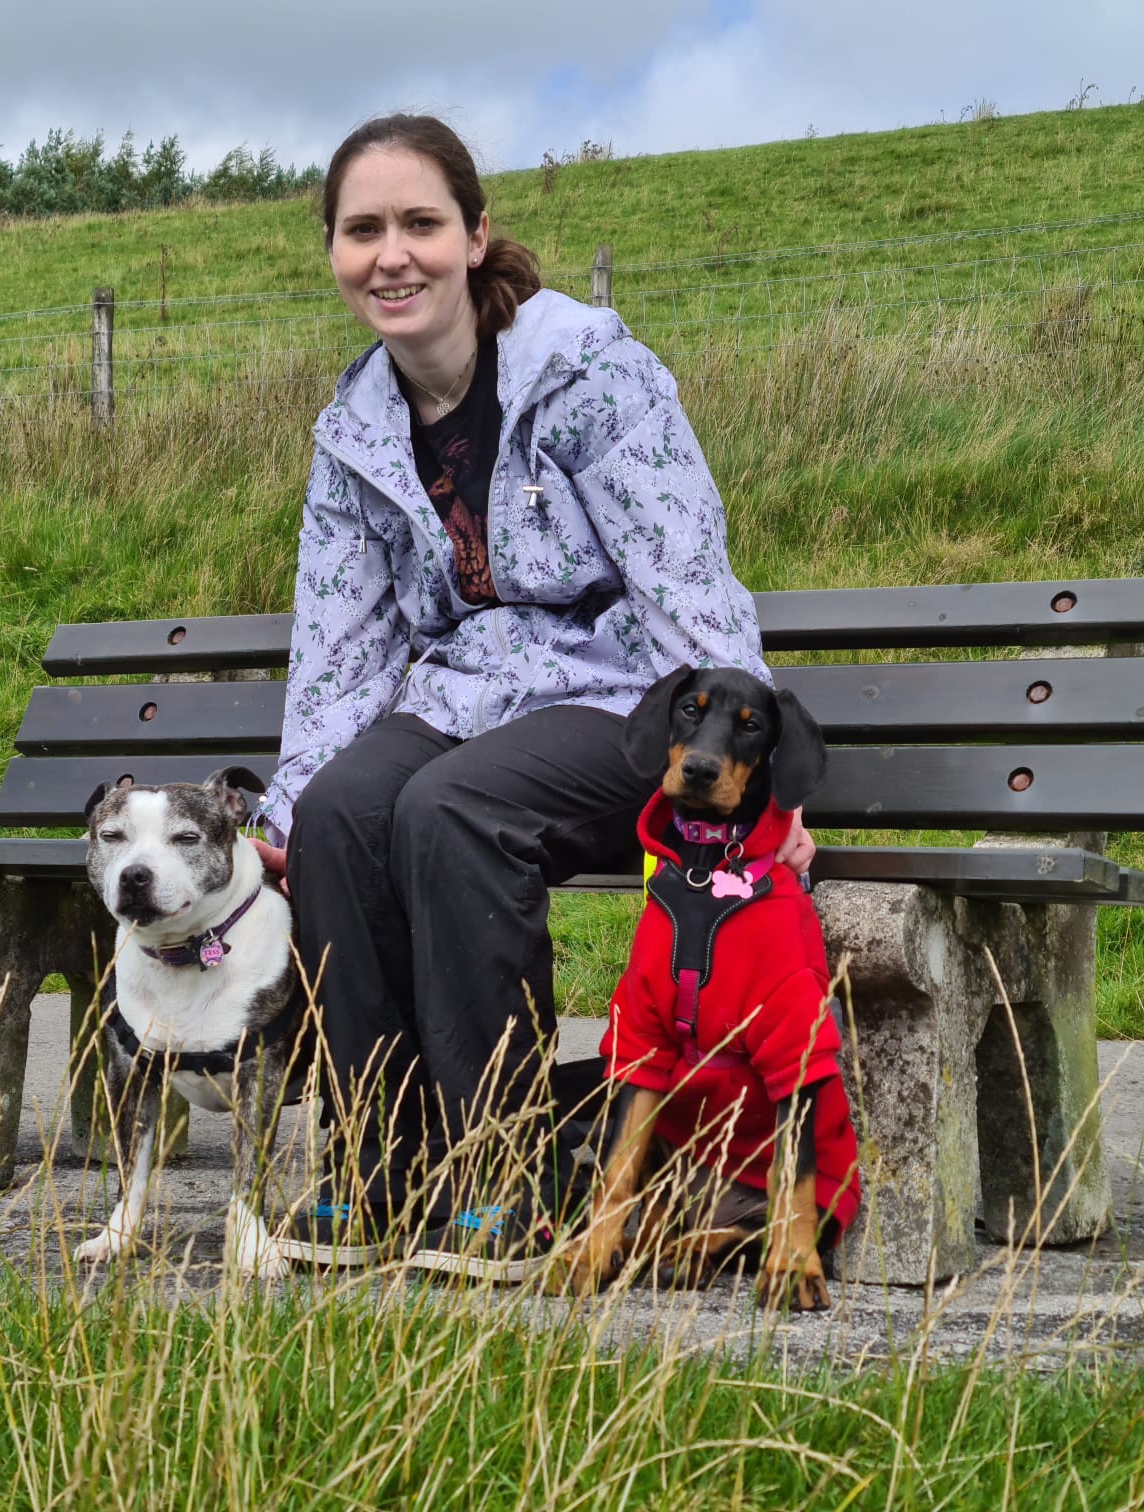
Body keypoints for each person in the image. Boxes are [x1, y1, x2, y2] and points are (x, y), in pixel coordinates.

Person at [250, 114, 813, 1283]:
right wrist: (286, 807)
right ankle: (373, 1168)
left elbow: (682, 569)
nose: (391, 255)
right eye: (363, 231)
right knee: (348, 812)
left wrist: (749, 782)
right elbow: (340, 647)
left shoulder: (588, 371)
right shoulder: (353, 433)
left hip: (624, 698)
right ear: (333, 254)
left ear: (473, 237)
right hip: (468, 696)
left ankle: (496, 1182)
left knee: (450, 807)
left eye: (419, 224)